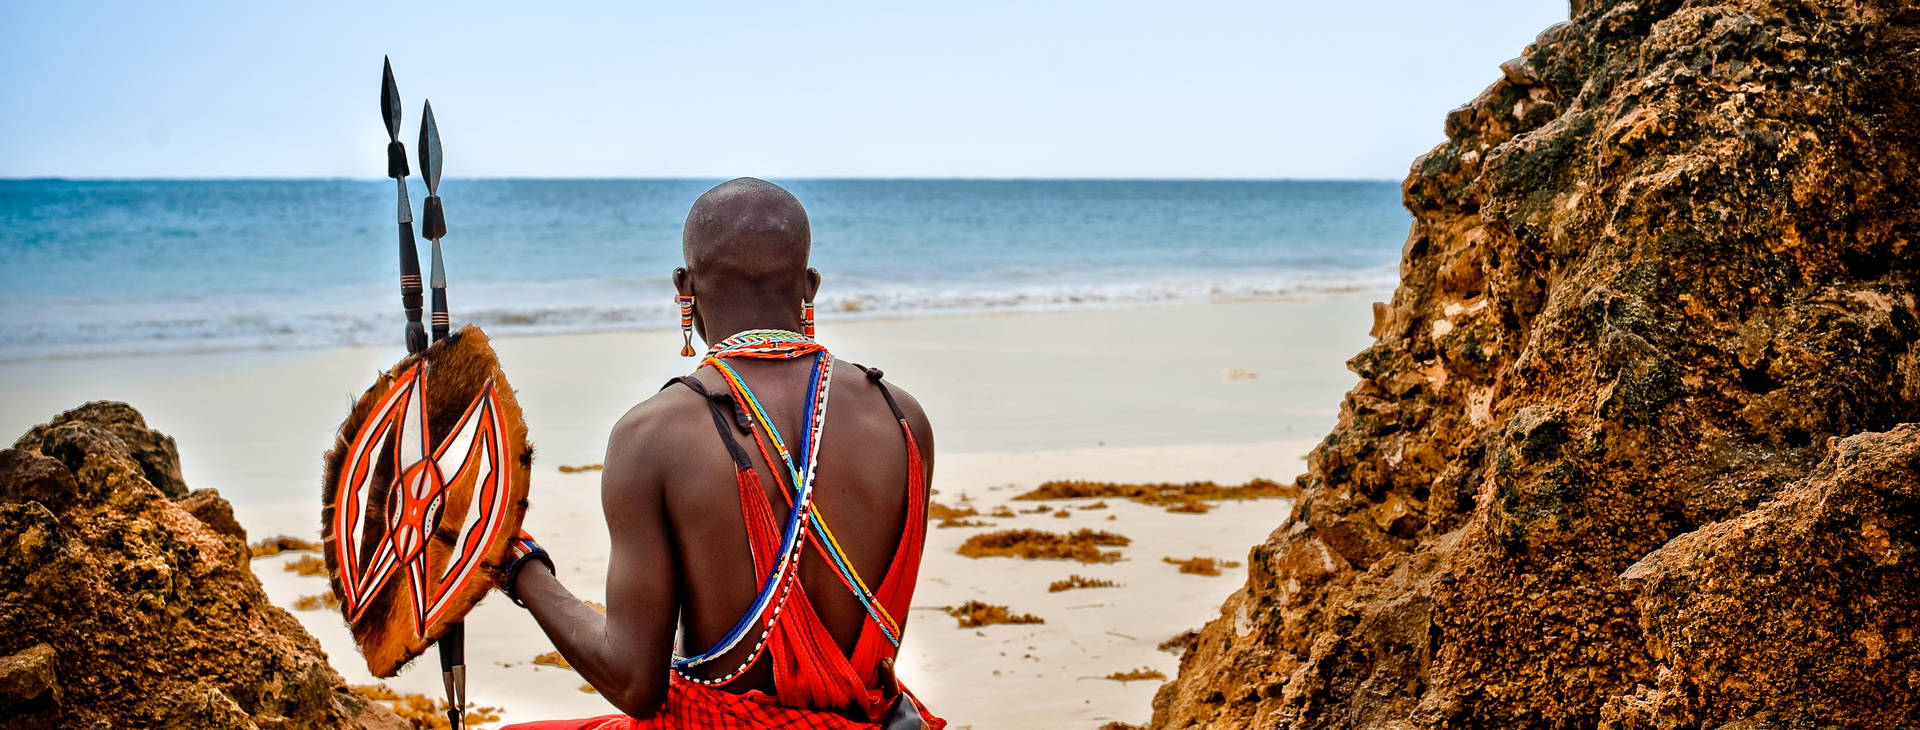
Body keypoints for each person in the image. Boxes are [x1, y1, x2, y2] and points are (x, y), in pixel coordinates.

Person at [498, 178, 944, 729]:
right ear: (810, 286)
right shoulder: (902, 417)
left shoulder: (652, 434)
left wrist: (518, 566)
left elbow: (633, 683)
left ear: (684, 286)